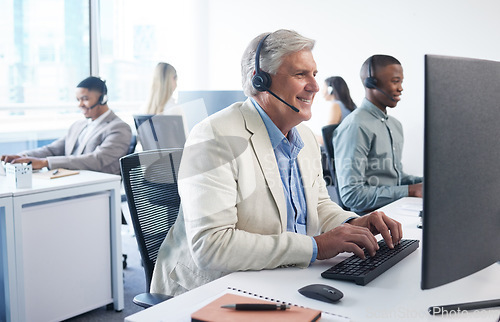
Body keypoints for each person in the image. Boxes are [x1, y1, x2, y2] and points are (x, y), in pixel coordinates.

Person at [150, 30, 403, 297]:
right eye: (300, 74)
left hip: (279, 278)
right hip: (211, 289)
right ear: (260, 81)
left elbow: (318, 205)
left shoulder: (302, 134)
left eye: (314, 74)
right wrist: (316, 247)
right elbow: (211, 246)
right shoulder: (215, 136)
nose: (315, 86)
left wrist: (353, 224)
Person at [333, 55, 423, 214]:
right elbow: (351, 195)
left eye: (401, 81)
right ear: (371, 83)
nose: (400, 88)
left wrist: (426, 182)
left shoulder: (394, 124)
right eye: (395, 81)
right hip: (370, 219)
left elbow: (395, 177)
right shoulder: (356, 126)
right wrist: (409, 190)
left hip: (396, 209)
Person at [0, 76, 132, 175]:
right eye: (78, 100)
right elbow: (52, 149)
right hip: (70, 182)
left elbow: (97, 160)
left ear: (102, 99)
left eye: (85, 99)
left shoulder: (119, 128)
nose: (80, 105)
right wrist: (22, 156)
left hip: (97, 189)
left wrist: (44, 163)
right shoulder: (78, 125)